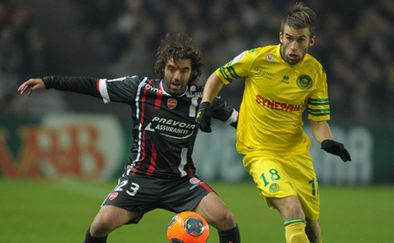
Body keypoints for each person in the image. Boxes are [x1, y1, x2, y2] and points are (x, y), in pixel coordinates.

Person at [18, 33, 241, 243]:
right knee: (100, 225)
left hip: (179, 181)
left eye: (184, 70)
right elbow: (93, 86)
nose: (176, 76)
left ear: (192, 72)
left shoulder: (201, 97)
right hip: (140, 178)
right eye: (172, 68)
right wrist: (49, 81)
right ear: (162, 67)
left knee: (226, 219)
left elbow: (239, 121)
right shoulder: (139, 88)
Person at [196, 3, 351, 243]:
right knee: (292, 210)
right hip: (259, 151)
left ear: (311, 41)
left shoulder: (315, 73)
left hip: (295, 154)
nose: (293, 46)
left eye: (300, 40)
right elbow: (218, 75)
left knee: (310, 222)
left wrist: (328, 141)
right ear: (281, 36)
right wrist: (206, 102)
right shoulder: (257, 58)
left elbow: (319, 122)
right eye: (289, 38)